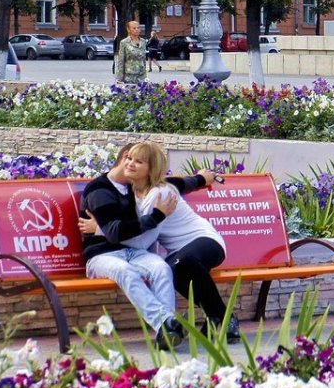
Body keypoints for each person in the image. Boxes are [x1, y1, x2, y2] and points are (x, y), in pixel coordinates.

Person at [80, 142, 240, 344]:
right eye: (129, 159)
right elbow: (178, 184)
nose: (130, 164)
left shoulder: (158, 193)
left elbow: (142, 238)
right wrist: (200, 179)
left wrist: (100, 229)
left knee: (175, 265)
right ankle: (174, 324)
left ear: (150, 169)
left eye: (138, 161)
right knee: (174, 266)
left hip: (203, 240)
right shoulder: (123, 189)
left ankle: (219, 318)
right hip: (108, 255)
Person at [80, 142, 183, 350]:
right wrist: (156, 216)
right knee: (125, 271)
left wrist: (200, 179)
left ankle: (167, 332)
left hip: (133, 251)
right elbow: (115, 232)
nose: (134, 165)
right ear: (126, 157)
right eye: (132, 160)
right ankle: (167, 324)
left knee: (161, 268)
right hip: (100, 256)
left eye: (140, 162)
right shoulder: (99, 190)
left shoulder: (133, 185)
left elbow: (173, 183)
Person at [114, 20, 147, 85]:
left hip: (142, 76)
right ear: (128, 29)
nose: (137, 30)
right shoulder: (124, 42)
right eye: (134, 28)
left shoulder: (143, 42)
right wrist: (120, 78)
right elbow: (121, 61)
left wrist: (145, 73)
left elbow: (144, 59)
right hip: (129, 76)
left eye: (138, 28)